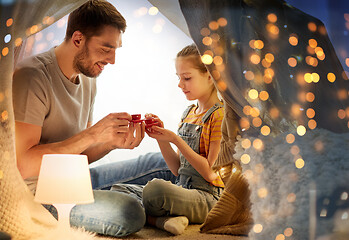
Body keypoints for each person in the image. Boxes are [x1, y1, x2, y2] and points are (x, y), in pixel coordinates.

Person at [12, 0, 175, 237]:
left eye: (116, 49)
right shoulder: (32, 77)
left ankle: (143, 200)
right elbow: (23, 165)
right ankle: (143, 204)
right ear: (78, 39)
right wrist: (92, 134)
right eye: (106, 49)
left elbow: (79, 155)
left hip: (75, 179)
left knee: (162, 164)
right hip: (42, 195)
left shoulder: (88, 77)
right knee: (128, 213)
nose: (112, 60)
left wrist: (110, 142)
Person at [142, 44, 225, 235]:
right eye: (179, 78)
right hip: (183, 189)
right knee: (122, 190)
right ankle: (165, 220)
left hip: (208, 197)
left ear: (210, 76)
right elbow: (177, 169)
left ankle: (156, 218)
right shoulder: (188, 113)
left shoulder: (219, 116)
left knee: (154, 191)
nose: (180, 84)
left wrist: (176, 139)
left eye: (187, 78)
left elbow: (211, 174)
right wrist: (161, 137)